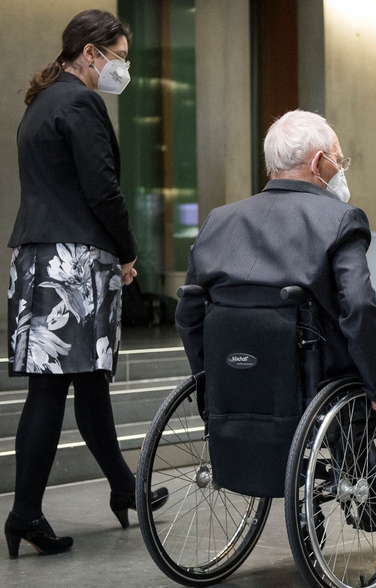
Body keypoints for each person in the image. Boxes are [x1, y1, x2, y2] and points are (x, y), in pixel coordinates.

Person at [175, 109, 376, 505]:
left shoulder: (219, 221)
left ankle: (358, 466)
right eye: (339, 160)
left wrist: (212, 378)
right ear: (318, 162)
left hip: (236, 379)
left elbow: (188, 313)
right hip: (313, 378)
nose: (340, 169)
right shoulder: (338, 219)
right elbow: (358, 307)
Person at [5, 10, 166, 559]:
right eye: (120, 57)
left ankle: (126, 488)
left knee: (88, 381)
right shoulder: (80, 101)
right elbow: (102, 190)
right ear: (91, 52)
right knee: (51, 390)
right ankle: (25, 511)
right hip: (72, 262)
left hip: (36, 258)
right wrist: (128, 251)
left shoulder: (40, 104)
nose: (123, 68)